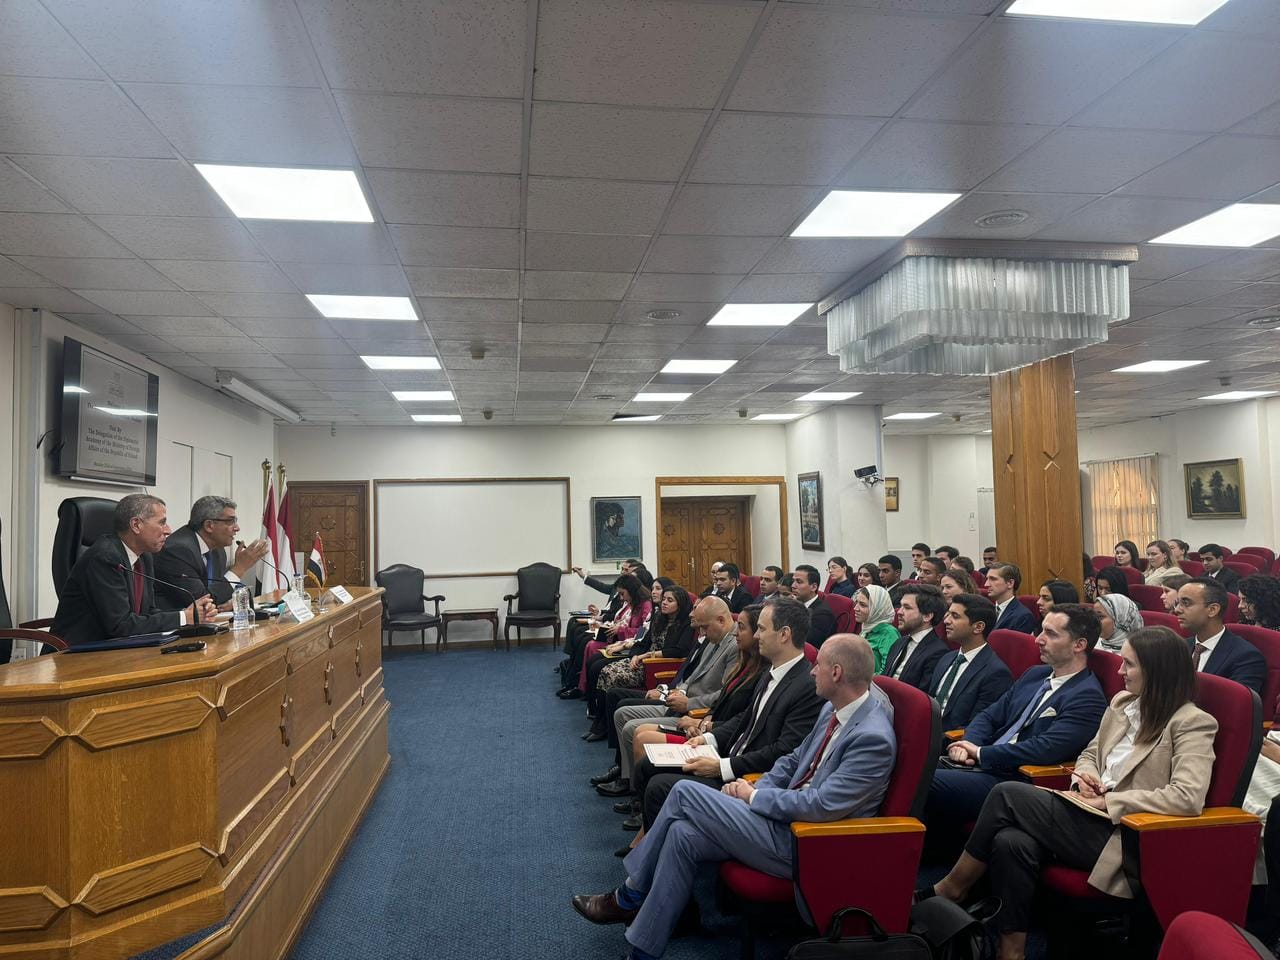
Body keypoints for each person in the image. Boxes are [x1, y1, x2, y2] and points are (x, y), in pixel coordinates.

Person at [572, 635, 896, 960]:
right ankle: (643, 951)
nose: (813, 671)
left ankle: (628, 895)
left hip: (806, 843)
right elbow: (793, 760)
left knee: (683, 792)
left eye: (819, 665)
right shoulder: (833, 709)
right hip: (780, 819)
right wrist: (759, 787)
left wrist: (754, 797)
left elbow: (821, 806)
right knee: (683, 834)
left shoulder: (872, 738)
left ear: (836, 673)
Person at [920, 626, 1217, 960]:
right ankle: (1011, 951)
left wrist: (1108, 800)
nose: (1120, 671)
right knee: (1011, 842)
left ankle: (953, 887)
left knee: (1007, 794)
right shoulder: (1123, 703)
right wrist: (1086, 778)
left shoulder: (1192, 722)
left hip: (1125, 834)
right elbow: (1090, 753)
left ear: (1157, 670)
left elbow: (1187, 796)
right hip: (1086, 812)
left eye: (1130, 664)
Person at [924, 604, 1108, 852]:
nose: (1039, 640)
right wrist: (969, 745)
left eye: (1051, 634)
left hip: (1014, 779)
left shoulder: (1087, 696)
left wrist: (981, 753)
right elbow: (990, 715)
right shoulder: (1035, 675)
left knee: (921, 780)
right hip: (981, 765)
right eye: (1041, 631)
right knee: (908, 765)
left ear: (1079, 645)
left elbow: (1045, 749)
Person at [636, 598, 824, 830]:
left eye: (762, 629)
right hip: (727, 757)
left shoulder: (806, 687)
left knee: (659, 786)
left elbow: (783, 750)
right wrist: (708, 738)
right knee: (647, 766)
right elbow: (745, 719)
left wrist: (722, 766)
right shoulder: (772, 672)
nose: (757, 636)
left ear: (784, 634)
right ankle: (651, 839)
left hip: (746, 777)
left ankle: (655, 843)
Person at [595, 597, 740, 797]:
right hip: (681, 701)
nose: (702, 633)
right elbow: (693, 675)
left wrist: (688, 703)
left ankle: (635, 789)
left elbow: (724, 693)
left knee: (631, 727)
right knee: (621, 714)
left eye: (705, 627)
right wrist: (680, 691)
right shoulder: (713, 637)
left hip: (695, 712)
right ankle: (626, 776)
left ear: (721, 620)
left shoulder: (734, 646)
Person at [53, 494, 217, 646]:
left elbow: (148, 612)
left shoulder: (144, 557)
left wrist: (189, 613)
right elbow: (120, 625)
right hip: (77, 652)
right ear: (136, 525)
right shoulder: (105, 557)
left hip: (118, 647)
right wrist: (183, 618)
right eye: (162, 522)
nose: (168, 530)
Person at [586, 582, 694, 739]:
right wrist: (635, 655)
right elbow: (645, 641)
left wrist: (647, 656)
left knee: (611, 676)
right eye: (664, 599)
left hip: (655, 665)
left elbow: (679, 650)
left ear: (680, 604)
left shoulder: (686, 624)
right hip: (643, 659)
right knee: (604, 671)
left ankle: (603, 727)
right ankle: (600, 722)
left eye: (670, 600)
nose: (664, 602)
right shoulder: (659, 617)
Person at [153, 496, 269, 610]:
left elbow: (217, 593)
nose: (237, 528)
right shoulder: (178, 550)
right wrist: (239, 568)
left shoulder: (217, 550)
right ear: (209, 525)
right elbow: (201, 601)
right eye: (230, 521)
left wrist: (232, 600)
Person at [929, 594, 1013, 730]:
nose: (946, 621)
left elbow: (978, 725)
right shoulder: (946, 658)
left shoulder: (996, 674)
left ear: (978, 627)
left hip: (951, 739)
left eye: (955, 616)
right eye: (948, 614)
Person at [1175, 577, 1266, 695]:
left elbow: (1237, 703)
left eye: (1186, 603)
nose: (1177, 610)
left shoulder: (1246, 657)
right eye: (1177, 603)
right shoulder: (1179, 647)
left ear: (1212, 610)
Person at [883, 584, 949, 690]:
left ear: (927, 616)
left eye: (907, 608)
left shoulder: (937, 652)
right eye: (901, 606)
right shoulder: (899, 642)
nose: (899, 612)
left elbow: (921, 695)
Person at [853, 584, 899, 674]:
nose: (855, 608)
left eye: (862, 605)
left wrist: (859, 679)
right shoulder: (867, 627)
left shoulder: (889, 634)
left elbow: (886, 672)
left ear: (877, 609)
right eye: (856, 602)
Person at [791, 565, 836, 647]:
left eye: (799, 582)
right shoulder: (795, 605)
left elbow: (805, 643)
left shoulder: (822, 614)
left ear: (814, 587)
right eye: (793, 581)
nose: (793, 586)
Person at [987, 564, 1038, 634]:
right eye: (987, 579)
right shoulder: (986, 610)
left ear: (1010, 583)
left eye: (993, 579)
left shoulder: (1023, 616)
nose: (986, 584)